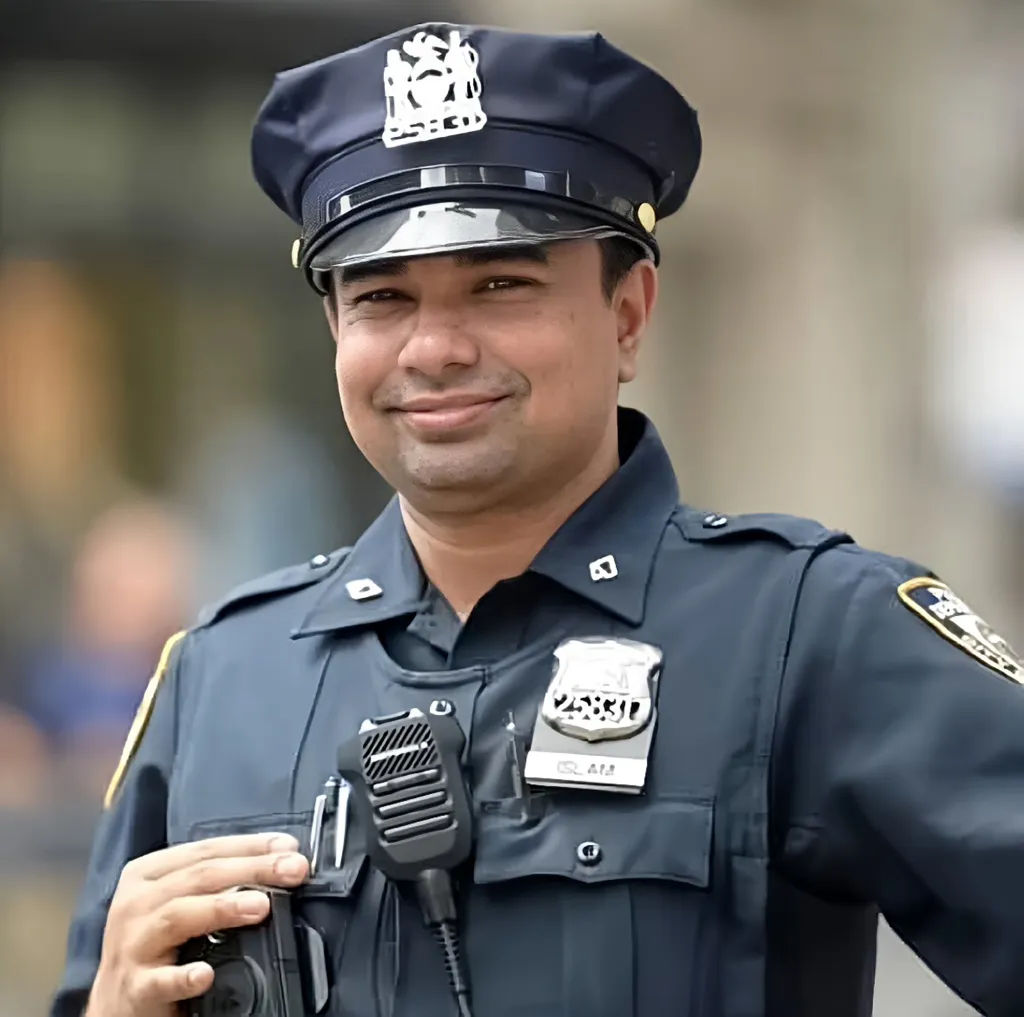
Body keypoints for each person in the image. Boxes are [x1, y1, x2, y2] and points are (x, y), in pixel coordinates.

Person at [51, 22, 1024, 1017]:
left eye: (499, 285)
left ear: (629, 313)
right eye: (382, 297)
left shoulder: (808, 636)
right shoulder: (221, 678)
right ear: (336, 329)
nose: (432, 347)